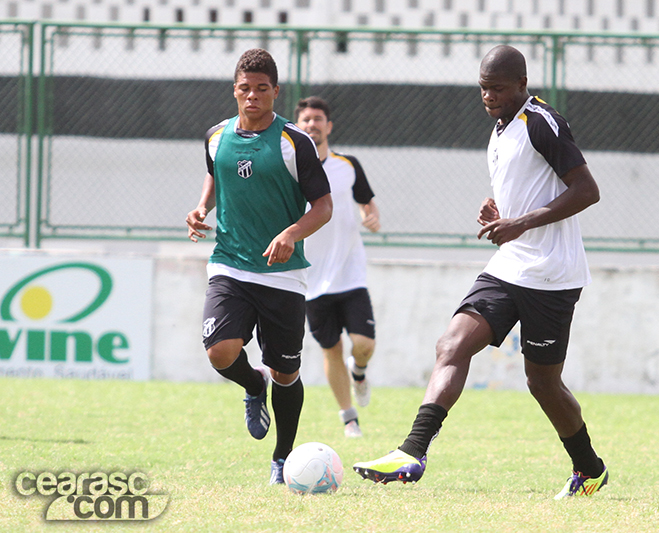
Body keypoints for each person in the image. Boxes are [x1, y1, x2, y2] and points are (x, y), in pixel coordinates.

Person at [352, 45, 608, 499]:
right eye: (483, 88)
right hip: (510, 265)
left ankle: (589, 468)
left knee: (542, 383)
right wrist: (500, 211)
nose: (488, 96)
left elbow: (587, 190)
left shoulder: (542, 123)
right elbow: (527, 190)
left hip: (552, 273)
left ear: (522, 86)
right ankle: (412, 452)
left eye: (498, 88)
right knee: (452, 343)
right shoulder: (501, 127)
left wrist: (520, 221)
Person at [185, 49, 332, 484]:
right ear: (234, 90)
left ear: (275, 92)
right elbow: (217, 171)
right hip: (230, 263)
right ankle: (253, 386)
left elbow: (323, 206)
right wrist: (200, 207)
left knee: (286, 372)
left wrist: (291, 234)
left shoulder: (294, 142)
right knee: (220, 352)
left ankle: (283, 459)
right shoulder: (215, 136)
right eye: (245, 89)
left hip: (283, 275)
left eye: (261, 90)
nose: (252, 97)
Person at [294, 96, 381, 439]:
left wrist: (370, 216)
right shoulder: (291, 170)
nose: (312, 124)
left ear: (328, 126)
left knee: (364, 343)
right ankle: (349, 419)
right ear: (296, 127)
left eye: (318, 119)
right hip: (310, 278)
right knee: (331, 349)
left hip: (350, 272)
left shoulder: (349, 165)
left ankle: (359, 371)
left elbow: (367, 203)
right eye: (305, 120)